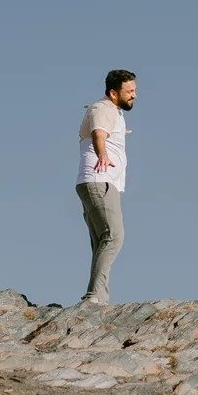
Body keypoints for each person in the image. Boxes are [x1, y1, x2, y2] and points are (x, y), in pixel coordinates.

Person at [75, 69, 136, 306]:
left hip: (95, 183)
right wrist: (102, 154)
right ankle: (93, 297)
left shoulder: (112, 112)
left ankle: (99, 299)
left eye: (134, 90)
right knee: (114, 237)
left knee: (102, 242)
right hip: (100, 181)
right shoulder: (103, 109)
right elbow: (98, 134)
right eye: (129, 91)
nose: (134, 95)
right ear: (113, 93)